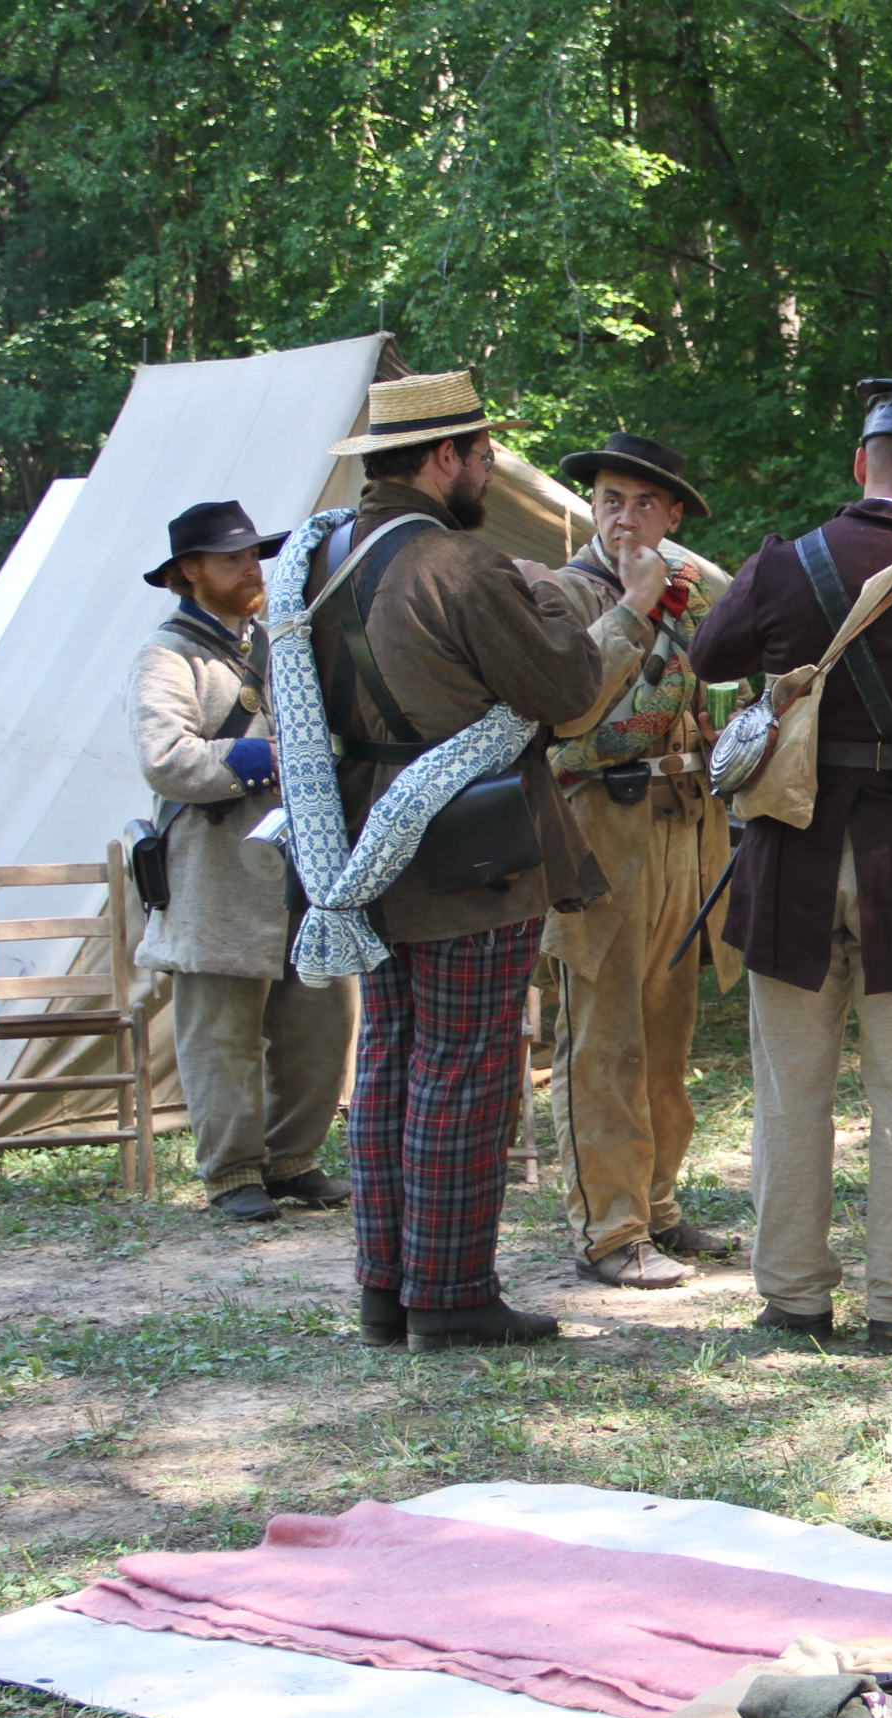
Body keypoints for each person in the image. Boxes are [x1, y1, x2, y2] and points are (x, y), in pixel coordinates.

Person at [692, 379, 892, 1344]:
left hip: (790, 857)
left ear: (859, 465)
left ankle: (794, 1297)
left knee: (792, 1086)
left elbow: (712, 655)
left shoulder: (784, 566)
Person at [315, 371, 608, 1353]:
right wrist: (557, 605)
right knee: (467, 1070)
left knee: (391, 1061)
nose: (487, 467)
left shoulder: (317, 566)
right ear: (444, 458)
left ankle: (386, 1293)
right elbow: (565, 689)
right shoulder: (461, 565)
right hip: (468, 848)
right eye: (483, 453)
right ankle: (449, 1297)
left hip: (364, 845)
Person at [537, 432, 744, 1290]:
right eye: (611, 499)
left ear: (673, 516)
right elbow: (568, 731)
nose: (626, 518)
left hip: (687, 830)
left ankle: (657, 1206)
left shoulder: (703, 598)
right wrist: (639, 613)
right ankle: (610, 1230)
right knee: (602, 1041)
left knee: (667, 1037)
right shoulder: (557, 594)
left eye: (646, 504)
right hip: (601, 834)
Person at [126, 501, 355, 1224]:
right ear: (189, 572)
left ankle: (292, 1159)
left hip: (296, 861)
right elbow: (167, 761)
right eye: (231, 559)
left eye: (254, 556)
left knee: (321, 1016)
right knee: (221, 1034)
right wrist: (266, 760)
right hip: (216, 872)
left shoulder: (276, 640)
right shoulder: (165, 656)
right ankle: (232, 1173)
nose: (250, 569)